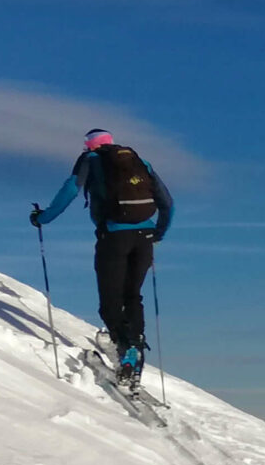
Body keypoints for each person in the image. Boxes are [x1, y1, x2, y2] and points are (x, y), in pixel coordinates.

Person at [32, 130, 173, 383]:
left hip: (114, 237)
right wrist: (158, 233)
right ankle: (135, 346)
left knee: (109, 302)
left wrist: (43, 218)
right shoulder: (140, 162)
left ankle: (126, 349)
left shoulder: (91, 160)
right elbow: (167, 203)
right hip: (146, 237)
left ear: (90, 146)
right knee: (132, 295)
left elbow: (70, 190)